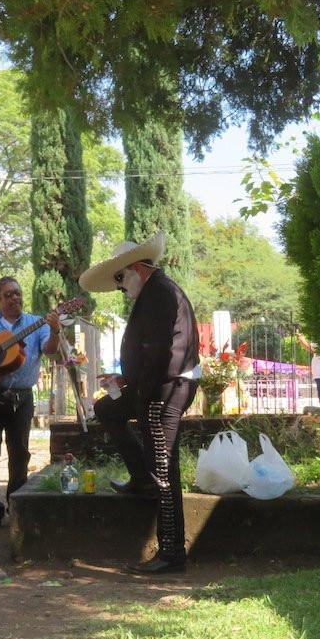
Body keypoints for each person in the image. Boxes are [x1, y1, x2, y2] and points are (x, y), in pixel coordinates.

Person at [80, 230, 199, 575]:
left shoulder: (159, 292)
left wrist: (136, 385)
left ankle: (173, 551)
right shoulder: (155, 292)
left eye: (120, 278)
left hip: (164, 388)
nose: (119, 286)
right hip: (154, 385)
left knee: (163, 465)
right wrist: (125, 381)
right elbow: (151, 349)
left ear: (136, 268)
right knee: (107, 409)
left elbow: (161, 352)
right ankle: (140, 478)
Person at [0, 277, 62, 531]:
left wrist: (55, 330)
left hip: (22, 397)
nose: (14, 298)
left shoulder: (35, 323)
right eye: (8, 294)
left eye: (17, 293)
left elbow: (50, 350)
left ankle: (17, 507)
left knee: (20, 454)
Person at [296, 332, 320, 410]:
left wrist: (302, 340)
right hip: (319, 372)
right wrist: (301, 340)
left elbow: (314, 350)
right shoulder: (319, 340)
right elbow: (309, 348)